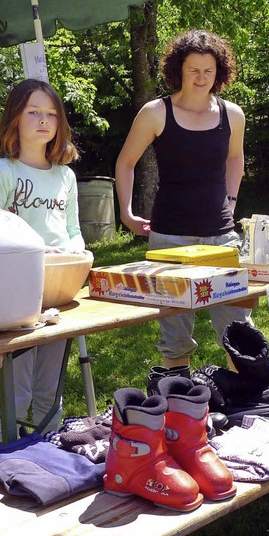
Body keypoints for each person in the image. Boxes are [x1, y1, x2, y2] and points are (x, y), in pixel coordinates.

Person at [115, 29, 252, 370]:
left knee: (238, 332)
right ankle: (180, 401)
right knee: (175, 339)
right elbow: (125, 162)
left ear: (219, 72)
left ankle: (243, 400)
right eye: (194, 70)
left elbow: (236, 160)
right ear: (179, 69)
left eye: (209, 70)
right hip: (169, 238)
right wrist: (127, 212)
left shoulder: (232, 114)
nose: (201, 78)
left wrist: (231, 201)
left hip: (221, 238)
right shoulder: (156, 112)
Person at [0, 79, 88, 432]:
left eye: (51, 113)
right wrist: (35, 248)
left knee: (51, 380)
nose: (43, 120)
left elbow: (73, 229)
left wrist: (78, 252)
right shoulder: (5, 171)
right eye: (33, 111)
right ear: (14, 119)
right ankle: (10, 447)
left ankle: (49, 442)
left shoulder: (65, 175)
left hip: (60, 288)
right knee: (17, 383)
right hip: (17, 296)